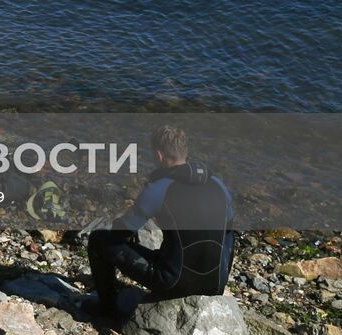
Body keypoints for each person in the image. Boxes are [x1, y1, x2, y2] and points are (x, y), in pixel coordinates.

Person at [83, 126, 235, 319]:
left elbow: (121, 233)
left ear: (159, 155)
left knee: (99, 239)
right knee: (228, 234)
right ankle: (211, 278)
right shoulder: (218, 184)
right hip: (215, 284)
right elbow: (229, 231)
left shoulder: (159, 188)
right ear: (185, 152)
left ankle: (107, 310)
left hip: (173, 282)